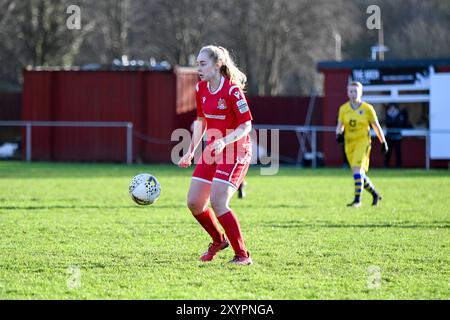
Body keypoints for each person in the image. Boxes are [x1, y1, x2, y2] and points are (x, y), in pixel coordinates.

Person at [178, 45, 253, 265]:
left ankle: (242, 256)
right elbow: (202, 122)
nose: (198, 68)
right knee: (194, 203)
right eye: (197, 64)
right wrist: (191, 151)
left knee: (218, 200)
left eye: (203, 64)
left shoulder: (232, 91)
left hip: (236, 151)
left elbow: (246, 125)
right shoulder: (201, 88)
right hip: (213, 149)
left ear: (217, 64)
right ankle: (218, 240)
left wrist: (225, 141)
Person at [336, 82, 389, 207]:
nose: (353, 94)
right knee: (359, 174)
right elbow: (340, 125)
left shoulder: (367, 109)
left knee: (357, 170)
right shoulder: (343, 109)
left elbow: (376, 126)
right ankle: (375, 194)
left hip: (362, 142)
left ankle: (357, 200)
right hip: (349, 144)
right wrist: (338, 134)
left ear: (361, 92)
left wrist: (383, 141)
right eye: (350, 91)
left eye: (355, 91)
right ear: (347, 92)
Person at [384, 103, 408, 168]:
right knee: (388, 152)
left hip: (398, 137)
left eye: (393, 107)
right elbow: (387, 123)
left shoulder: (400, 115)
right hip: (389, 137)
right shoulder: (387, 114)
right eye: (391, 107)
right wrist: (393, 123)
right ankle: (386, 165)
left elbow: (400, 124)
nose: (392, 109)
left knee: (398, 152)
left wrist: (393, 123)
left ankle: (399, 165)